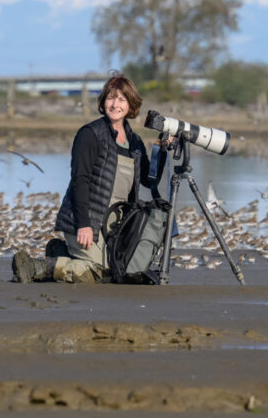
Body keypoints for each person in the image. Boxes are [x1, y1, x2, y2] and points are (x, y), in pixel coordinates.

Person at [12, 73, 166, 283]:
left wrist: (161, 151)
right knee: (96, 271)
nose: (115, 104)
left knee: (119, 270)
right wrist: (83, 224)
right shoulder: (90, 134)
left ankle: (60, 253)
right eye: (111, 98)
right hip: (85, 219)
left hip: (114, 225)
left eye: (122, 99)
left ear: (131, 105)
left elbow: (149, 180)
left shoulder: (135, 142)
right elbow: (79, 180)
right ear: (103, 101)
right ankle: (37, 267)